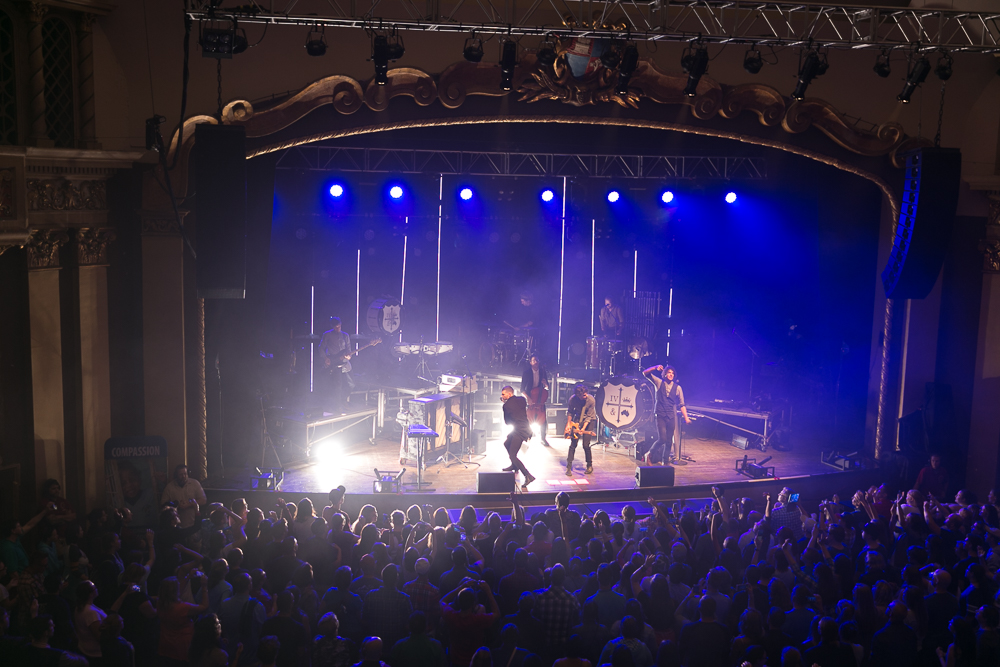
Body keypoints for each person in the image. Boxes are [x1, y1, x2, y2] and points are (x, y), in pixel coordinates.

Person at [641, 365, 691, 466]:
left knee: (669, 441)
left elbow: (682, 404)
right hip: (660, 414)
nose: (671, 374)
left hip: (671, 415)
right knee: (662, 438)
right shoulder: (659, 382)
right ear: (665, 374)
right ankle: (649, 454)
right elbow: (645, 373)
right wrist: (655, 367)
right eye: (669, 372)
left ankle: (665, 461)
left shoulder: (678, 388)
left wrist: (686, 418)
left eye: (672, 373)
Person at [500, 385, 536, 491]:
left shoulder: (506, 406)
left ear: (509, 394)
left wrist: (505, 405)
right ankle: (514, 465)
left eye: (503, 394)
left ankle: (528, 475)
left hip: (520, 431)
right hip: (525, 428)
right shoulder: (522, 399)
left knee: (513, 455)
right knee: (506, 443)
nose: (502, 396)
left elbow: (507, 422)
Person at [319, 316, 355, 411]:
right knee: (338, 386)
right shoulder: (327, 335)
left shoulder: (345, 335)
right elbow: (321, 348)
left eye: (339, 326)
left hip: (345, 363)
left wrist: (349, 356)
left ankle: (343, 400)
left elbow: (349, 350)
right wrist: (326, 358)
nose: (338, 328)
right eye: (336, 327)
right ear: (332, 326)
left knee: (351, 384)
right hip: (334, 364)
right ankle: (338, 405)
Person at [160, 464, 207, 528]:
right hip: (176, 526)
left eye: (185, 474)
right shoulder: (169, 487)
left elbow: (203, 500)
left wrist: (189, 504)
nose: (183, 476)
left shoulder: (195, 484)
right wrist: (177, 506)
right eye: (181, 474)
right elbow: (163, 506)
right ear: (176, 475)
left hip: (193, 523)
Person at [565, 384, 597, 476]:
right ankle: (568, 466)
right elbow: (570, 412)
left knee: (586, 445)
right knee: (573, 444)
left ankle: (589, 465)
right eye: (583, 395)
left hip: (589, 420)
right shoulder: (572, 399)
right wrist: (569, 424)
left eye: (586, 393)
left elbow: (589, 416)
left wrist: (582, 429)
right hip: (578, 419)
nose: (586, 395)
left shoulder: (591, 400)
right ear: (578, 395)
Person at [521, 354, 551, 447]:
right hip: (530, 398)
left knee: (543, 420)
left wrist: (545, 384)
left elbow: (547, 388)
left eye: (537, 360)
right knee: (527, 419)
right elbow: (522, 389)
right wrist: (528, 398)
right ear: (530, 362)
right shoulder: (526, 373)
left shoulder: (542, 372)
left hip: (540, 399)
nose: (536, 362)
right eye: (534, 360)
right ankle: (526, 435)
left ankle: (543, 438)